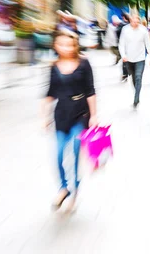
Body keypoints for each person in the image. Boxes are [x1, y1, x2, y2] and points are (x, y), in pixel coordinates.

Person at [42, 31, 97, 211]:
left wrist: (94, 115)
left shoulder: (84, 63)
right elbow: (49, 93)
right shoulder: (53, 66)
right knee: (58, 154)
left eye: (70, 44)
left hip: (80, 114)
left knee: (74, 151)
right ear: (56, 46)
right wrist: (45, 117)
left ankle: (74, 192)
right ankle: (63, 188)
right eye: (62, 44)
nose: (66, 48)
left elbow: (90, 90)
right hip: (61, 114)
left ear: (75, 46)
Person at [119, 15, 150, 108]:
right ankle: (136, 92)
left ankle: (136, 98)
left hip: (140, 58)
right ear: (130, 21)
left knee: (138, 77)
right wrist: (123, 55)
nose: (136, 24)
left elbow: (148, 44)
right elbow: (121, 44)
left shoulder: (143, 30)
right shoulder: (125, 30)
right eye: (134, 22)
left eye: (137, 22)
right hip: (129, 59)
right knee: (133, 78)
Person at [117, 14, 130, 81]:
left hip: (124, 44)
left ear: (123, 17)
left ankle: (125, 73)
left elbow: (117, 32)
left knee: (124, 59)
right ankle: (127, 72)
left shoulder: (121, 25)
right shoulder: (129, 24)